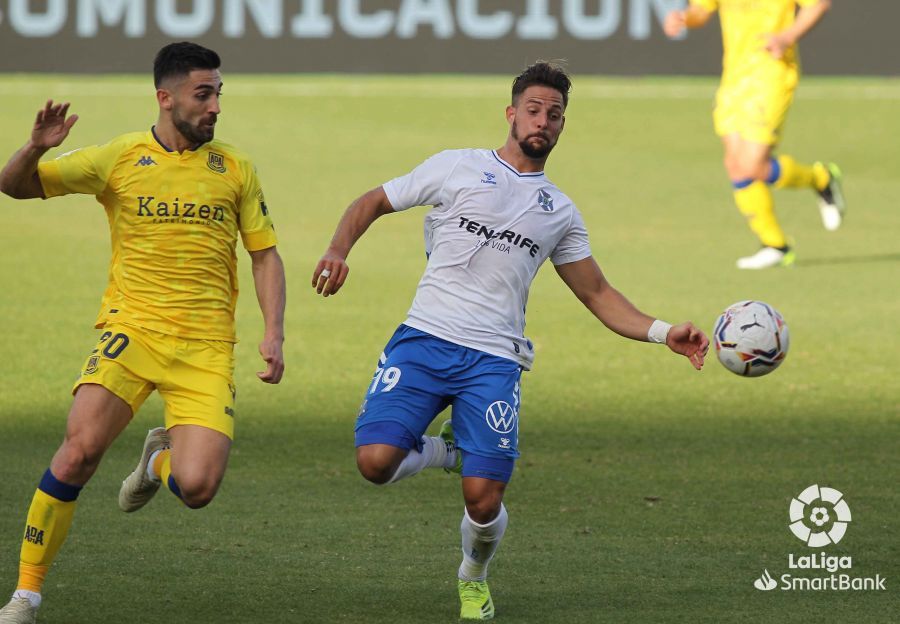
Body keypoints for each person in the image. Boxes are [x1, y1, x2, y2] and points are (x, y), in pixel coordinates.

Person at [311, 61, 709, 621]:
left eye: (555, 114)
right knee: (375, 463)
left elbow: (597, 293)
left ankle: (472, 577)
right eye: (534, 110)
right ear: (511, 114)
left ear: (563, 125)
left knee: (484, 499)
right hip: (423, 339)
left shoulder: (560, 213)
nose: (543, 121)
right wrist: (337, 249)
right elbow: (373, 200)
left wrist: (665, 333)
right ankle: (448, 452)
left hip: (493, 361)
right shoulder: (457, 167)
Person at [0, 42, 285, 623]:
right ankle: (26, 594)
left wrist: (274, 332)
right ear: (166, 97)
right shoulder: (119, 157)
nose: (215, 107)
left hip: (205, 348)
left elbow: (264, 255)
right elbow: (14, 185)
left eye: (218, 94)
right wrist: (35, 147)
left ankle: (158, 463)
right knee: (78, 453)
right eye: (203, 94)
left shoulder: (235, 168)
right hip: (131, 333)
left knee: (197, 487)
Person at [664, 0, 846, 269]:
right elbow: (702, 9)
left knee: (751, 164)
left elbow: (818, 5)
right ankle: (775, 244)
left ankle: (820, 179)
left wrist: (787, 37)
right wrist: (685, 18)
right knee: (736, 166)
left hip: (772, 72)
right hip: (734, 78)